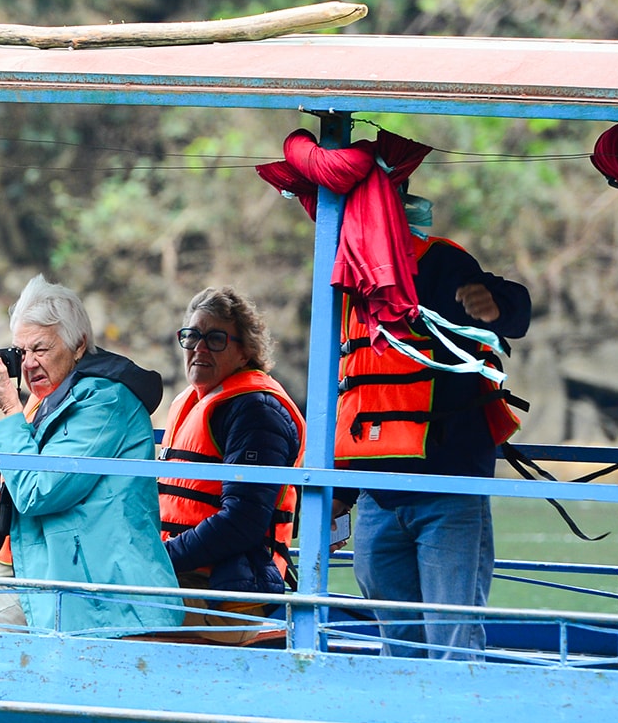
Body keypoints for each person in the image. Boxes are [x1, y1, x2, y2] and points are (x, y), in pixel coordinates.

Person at [0, 275, 183, 635]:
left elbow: (37, 493)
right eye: (20, 352)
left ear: (78, 346)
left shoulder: (105, 402)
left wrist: (11, 407)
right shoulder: (48, 400)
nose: (27, 365)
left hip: (88, 592)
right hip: (42, 575)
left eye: (40, 350)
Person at [340, 192, 531, 659]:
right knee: (396, 638)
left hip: (448, 487)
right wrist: (338, 495)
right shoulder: (350, 277)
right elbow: (348, 388)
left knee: (453, 638)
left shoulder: (444, 262)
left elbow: (515, 307)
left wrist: (492, 306)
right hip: (376, 494)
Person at [157, 288, 304, 645]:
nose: (199, 348)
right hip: (185, 574)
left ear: (245, 351)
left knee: (104, 615)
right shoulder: (192, 401)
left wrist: (159, 559)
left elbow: (243, 522)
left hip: (229, 589)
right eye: (192, 336)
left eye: (216, 338)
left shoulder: (257, 411)